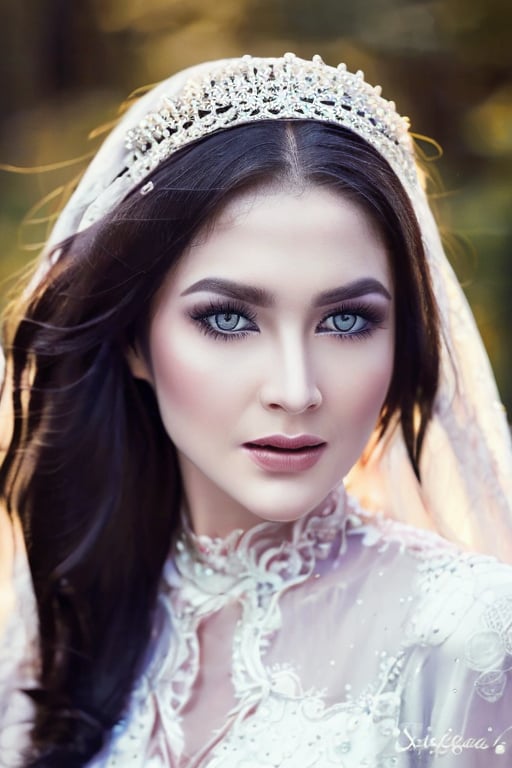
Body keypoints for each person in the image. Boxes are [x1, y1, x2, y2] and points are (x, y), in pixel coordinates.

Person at [0, 53, 512, 768]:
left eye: (346, 321)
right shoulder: (61, 625)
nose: (297, 390)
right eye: (230, 319)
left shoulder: (469, 636)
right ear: (133, 341)